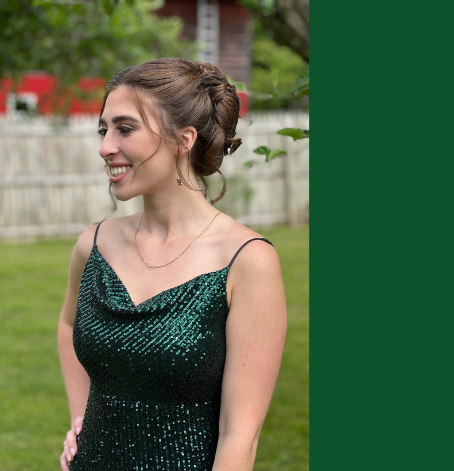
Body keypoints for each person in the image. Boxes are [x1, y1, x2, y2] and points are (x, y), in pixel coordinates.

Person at [57, 57, 287, 470]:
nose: (105, 146)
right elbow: (69, 325)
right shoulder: (92, 245)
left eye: (125, 128)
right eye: (103, 129)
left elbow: (240, 437)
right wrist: (80, 419)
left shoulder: (247, 261)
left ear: (184, 139)